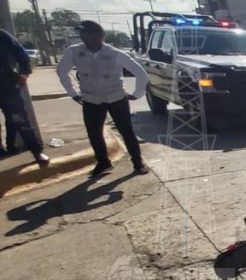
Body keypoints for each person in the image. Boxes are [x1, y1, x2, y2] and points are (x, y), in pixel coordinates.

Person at [57, 20, 149, 177]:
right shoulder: (75, 52)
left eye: (86, 32)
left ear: (98, 35)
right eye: (81, 33)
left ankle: (138, 163)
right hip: (91, 99)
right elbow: (62, 71)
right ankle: (103, 162)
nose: (83, 36)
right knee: (94, 133)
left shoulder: (114, 53)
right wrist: (73, 93)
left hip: (116, 98)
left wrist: (137, 94)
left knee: (126, 131)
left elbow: (140, 73)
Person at [0, 28, 50, 166]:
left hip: (6, 85)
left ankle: (36, 151)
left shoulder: (2, 35)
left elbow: (21, 54)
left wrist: (24, 73)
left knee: (19, 119)